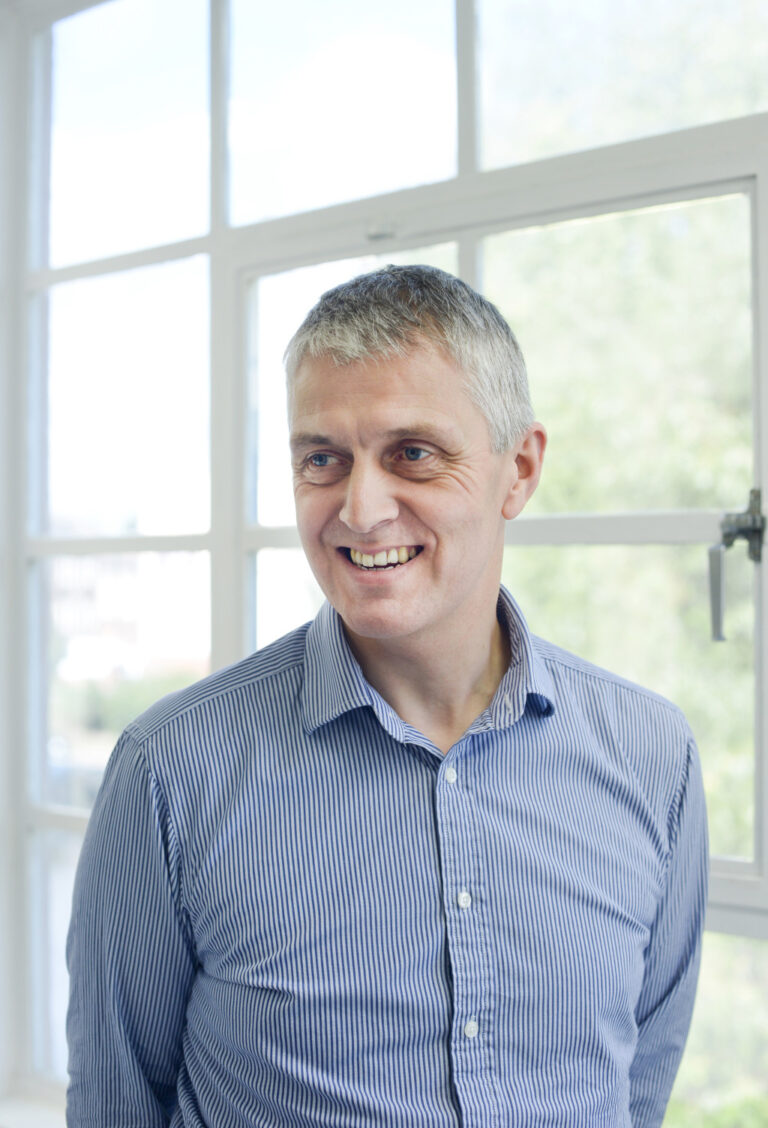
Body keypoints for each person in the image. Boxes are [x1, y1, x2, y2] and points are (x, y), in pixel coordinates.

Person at [66, 264, 708, 1127]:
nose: (361, 510)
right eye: (323, 460)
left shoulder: (652, 757)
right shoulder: (170, 772)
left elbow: (637, 1088)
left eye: (412, 453)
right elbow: (116, 1105)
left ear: (518, 469)